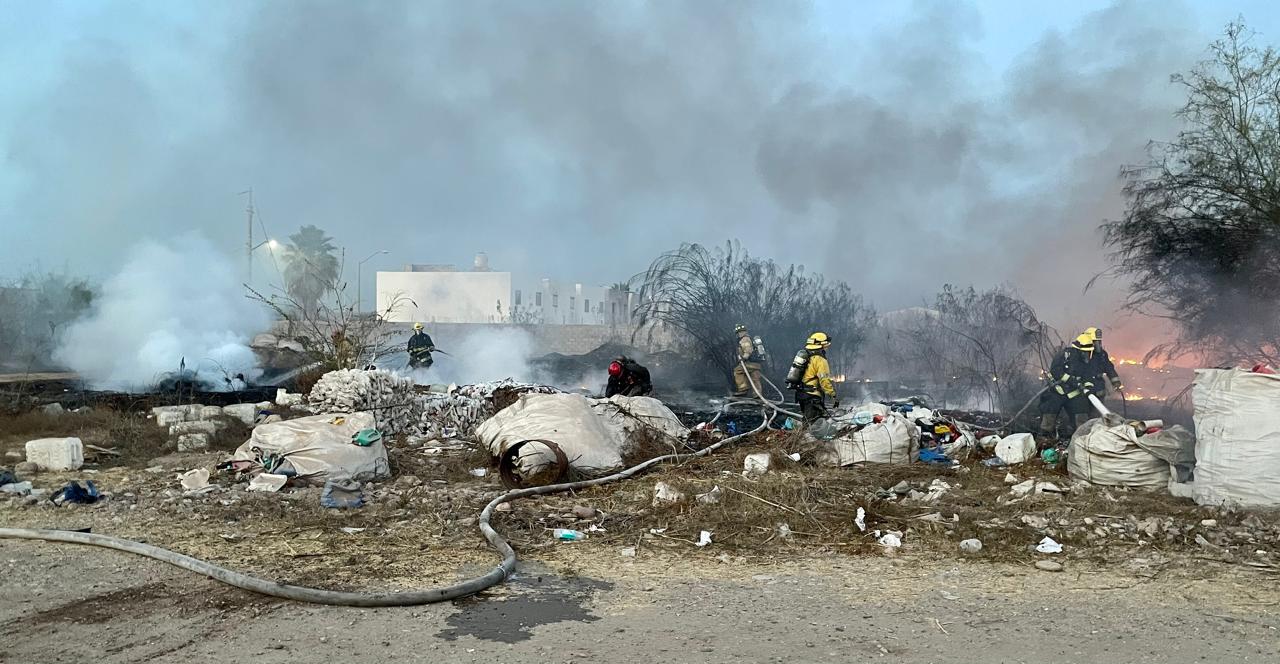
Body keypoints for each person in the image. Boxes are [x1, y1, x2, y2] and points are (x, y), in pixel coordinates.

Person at [1038, 327, 1122, 439]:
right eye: (1095, 342)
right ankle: (1044, 439)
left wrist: (1089, 386)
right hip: (1058, 391)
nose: (1098, 345)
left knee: (1081, 416)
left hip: (1076, 393)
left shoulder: (1091, 357)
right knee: (1050, 413)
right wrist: (1074, 381)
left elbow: (1091, 374)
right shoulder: (1066, 355)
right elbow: (1056, 371)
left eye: (1099, 342)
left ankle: (1082, 439)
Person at [791, 332, 837, 423]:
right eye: (825, 345)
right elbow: (824, 380)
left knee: (807, 420)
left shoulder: (806, 356)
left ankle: (801, 436)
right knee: (813, 423)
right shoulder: (820, 360)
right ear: (821, 345)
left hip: (801, 394)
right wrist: (833, 395)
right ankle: (806, 436)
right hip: (812, 395)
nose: (827, 347)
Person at [732, 324, 766, 397]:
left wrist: (744, 358)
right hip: (757, 364)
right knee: (755, 378)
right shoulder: (750, 339)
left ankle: (743, 389)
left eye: (739, 332)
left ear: (743, 332)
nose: (739, 334)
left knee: (737, 371)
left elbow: (748, 350)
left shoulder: (744, 339)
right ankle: (757, 395)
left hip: (749, 363)